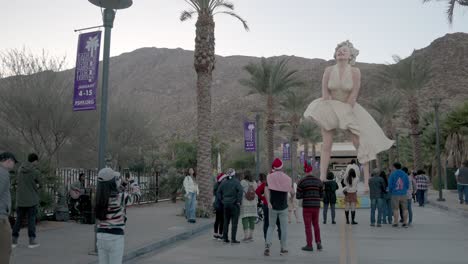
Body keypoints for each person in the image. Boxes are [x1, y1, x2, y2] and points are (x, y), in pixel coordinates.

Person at [303, 40, 394, 188]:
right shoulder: (328, 70)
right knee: (326, 144)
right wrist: (329, 110)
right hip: (330, 105)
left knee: (359, 143)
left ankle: (366, 181)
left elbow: (354, 93)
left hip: (349, 107)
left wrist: (346, 114)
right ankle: (322, 178)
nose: (340, 52)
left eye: (344, 50)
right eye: (339, 50)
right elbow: (325, 93)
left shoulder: (355, 71)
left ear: (350, 55)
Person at [95, 168, 141, 264]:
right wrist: (132, 181)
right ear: (112, 182)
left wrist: (123, 184)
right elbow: (137, 196)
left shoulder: (98, 197)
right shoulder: (121, 197)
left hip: (100, 236)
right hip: (115, 237)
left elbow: (114, 192)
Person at [264, 158, 294, 256]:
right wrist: (292, 198)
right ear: (281, 167)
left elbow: (266, 190)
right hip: (283, 207)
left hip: (272, 206)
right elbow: (292, 192)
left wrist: (268, 202)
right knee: (284, 228)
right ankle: (283, 249)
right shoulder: (287, 178)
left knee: (271, 226)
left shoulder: (269, 177)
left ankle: (267, 246)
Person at [12, 153, 41, 248]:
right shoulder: (35, 171)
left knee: (18, 220)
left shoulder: (20, 169)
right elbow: (40, 184)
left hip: (20, 200)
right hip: (32, 200)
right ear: (35, 161)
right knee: (31, 220)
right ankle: (32, 241)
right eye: (37, 162)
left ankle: (14, 241)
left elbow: (16, 182)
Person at [296, 161, 323, 252]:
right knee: (316, 224)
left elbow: (298, 196)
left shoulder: (302, 181)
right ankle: (318, 242)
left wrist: (305, 193)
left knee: (308, 226)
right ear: (311, 169)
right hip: (316, 206)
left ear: (305, 170)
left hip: (307, 206)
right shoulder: (318, 181)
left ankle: (309, 245)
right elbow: (322, 195)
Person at [217, 168, 243, 244]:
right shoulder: (236, 182)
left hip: (225, 204)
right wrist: (238, 201)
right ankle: (233, 239)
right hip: (234, 204)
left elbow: (218, 192)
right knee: (234, 223)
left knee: (226, 222)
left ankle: (225, 238)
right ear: (234, 174)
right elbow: (240, 191)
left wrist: (222, 200)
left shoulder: (224, 182)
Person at [0, 152, 17, 264]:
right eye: (14, 162)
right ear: (8, 160)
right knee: (5, 249)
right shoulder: (3, 173)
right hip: (1, 217)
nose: (14, 165)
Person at [255, 173, 281, 241]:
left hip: (266, 204)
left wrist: (262, 198)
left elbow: (257, 191)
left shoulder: (265, 184)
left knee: (266, 222)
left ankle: (266, 238)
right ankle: (281, 236)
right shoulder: (278, 183)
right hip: (276, 205)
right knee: (279, 221)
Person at [388, 162, 410, 228]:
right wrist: (404, 190)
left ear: (394, 167)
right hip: (403, 193)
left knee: (395, 209)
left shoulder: (392, 174)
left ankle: (395, 222)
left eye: (392, 167)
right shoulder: (405, 174)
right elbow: (407, 184)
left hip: (395, 193)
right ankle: (405, 222)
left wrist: (391, 191)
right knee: (405, 209)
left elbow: (390, 184)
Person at [240, 170, 258, 242]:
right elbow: (256, 192)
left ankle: (246, 236)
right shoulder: (254, 183)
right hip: (253, 204)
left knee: (245, 219)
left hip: (245, 203)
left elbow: (240, 192)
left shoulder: (242, 182)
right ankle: (251, 236)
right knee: (252, 220)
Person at [213, 172, 227, 240]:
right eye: (224, 178)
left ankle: (216, 234)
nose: (225, 179)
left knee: (218, 220)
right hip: (220, 204)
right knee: (221, 220)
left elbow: (215, 193)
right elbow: (220, 195)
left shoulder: (217, 184)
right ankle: (220, 235)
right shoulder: (222, 185)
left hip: (218, 204)